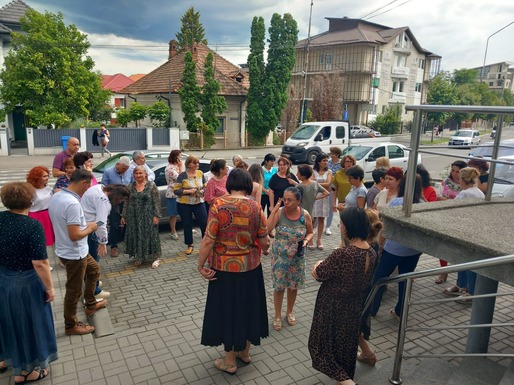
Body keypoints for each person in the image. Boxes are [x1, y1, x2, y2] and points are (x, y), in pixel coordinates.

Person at [197, 169, 270, 375]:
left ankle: (229, 362)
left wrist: (200, 264)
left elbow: (208, 239)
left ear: (229, 184)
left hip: (224, 269)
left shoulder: (218, 205)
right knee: (248, 308)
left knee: (228, 311)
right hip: (251, 268)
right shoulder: (255, 207)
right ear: (248, 184)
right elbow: (264, 240)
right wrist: (264, 250)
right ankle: (244, 352)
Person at [308, 207, 377, 385]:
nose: (340, 226)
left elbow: (319, 274)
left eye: (342, 224)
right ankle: (346, 377)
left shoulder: (344, 254)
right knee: (345, 348)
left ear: (348, 227)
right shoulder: (371, 251)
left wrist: (317, 264)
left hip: (332, 307)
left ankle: (346, 382)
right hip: (353, 306)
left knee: (323, 349)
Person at [0, 182, 58, 384]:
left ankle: (6, 359)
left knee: (7, 322)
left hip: (3, 280)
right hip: (26, 284)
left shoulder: (0, 218)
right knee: (30, 325)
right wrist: (50, 288)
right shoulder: (32, 225)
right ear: (30, 201)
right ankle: (26, 372)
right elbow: (40, 263)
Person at [48, 169, 104, 335]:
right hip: (74, 253)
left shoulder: (57, 195)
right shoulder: (72, 203)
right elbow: (75, 235)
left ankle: (91, 304)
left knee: (94, 270)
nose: (87, 190)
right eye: (87, 186)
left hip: (73, 250)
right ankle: (70, 325)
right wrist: (91, 227)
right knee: (74, 290)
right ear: (83, 183)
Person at [370, 174, 424, 320]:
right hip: (413, 250)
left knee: (379, 278)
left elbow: (387, 228)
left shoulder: (397, 202)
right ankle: (400, 311)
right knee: (405, 279)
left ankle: (371, 309)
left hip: (394, 249)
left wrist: (380, 245)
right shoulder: (422, 202)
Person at [268, 187, 314, 331]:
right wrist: (274, 210)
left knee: (293, 286)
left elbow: (311, 232)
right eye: (284, 199)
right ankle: (277, 315)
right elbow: (267, 229)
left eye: (290, 200)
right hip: (280, 257)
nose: (286, 202)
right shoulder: (280, 212)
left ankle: (289, 312)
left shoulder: (304, 214)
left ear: (298, 201)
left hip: (297, 257)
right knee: (279, 286)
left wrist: (306, 240)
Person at [443, 167, 485, 303]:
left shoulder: (465, 194)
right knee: (464, 259)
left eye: (460, 179)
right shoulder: (479, 192)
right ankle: (463, 285)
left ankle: (469, 290)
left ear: (463, 180)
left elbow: (453, 211)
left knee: (465, 260)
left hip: (465, 230)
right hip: (475, 229)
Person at [81, 184, 130, 298]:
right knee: (94, 262)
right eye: (121, 200)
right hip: (91, 230)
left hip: (85, 225)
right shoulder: (104, 201)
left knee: (89, 261)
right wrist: (103, 242)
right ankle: (95, 290)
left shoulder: (99, 187)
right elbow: (101, 223)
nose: (120, 203)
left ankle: (93, 282)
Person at [357, 209, 384, 367]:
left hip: (360, 295)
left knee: (354, 326)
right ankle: (367, 354)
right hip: (366, 292)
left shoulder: (364, 250)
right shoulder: (374, 245)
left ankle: (368, 354)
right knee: (356, 326)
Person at [121, 165, 162, 268]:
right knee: (136, 235)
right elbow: (126, 202)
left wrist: (156, 216)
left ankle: (155, 257)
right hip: (133, 216)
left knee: (151, 236)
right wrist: (123, 216)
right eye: (136, 173)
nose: (138, 175)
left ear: (145, 174)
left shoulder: (151, 186)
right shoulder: (130, 186)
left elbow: (157, 202)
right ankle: (139, 257)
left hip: (148, 216)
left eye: (140, 173)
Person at [434, 160, 467, 284]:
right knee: (443, 247)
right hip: (444, 218)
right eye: (453, 171)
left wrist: (446, 200)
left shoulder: (466, 186)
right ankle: (444, 271)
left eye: (458, 171)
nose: (454, 174)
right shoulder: (446, 182)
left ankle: (461, 280)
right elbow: (438, 197)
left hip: (459, 221)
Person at [174, 155, 208, 256]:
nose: (197, 164)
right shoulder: (182, 175)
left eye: (197, 162)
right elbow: (176, 190)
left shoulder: (200, 173)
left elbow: (206, 186)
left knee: (204, 223)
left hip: (198, 202)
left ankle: (205, 244)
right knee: (187, 224)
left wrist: (202, 190)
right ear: (188, 164)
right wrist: (188, 191)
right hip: (184, 204)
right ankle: (190, 244)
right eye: (194, 163)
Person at [101, 156, 132, 258]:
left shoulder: (130, 170)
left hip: (126, 201)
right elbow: (104, 187)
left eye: (126, 169)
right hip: (114, 203)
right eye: (123, 169)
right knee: (114, 225)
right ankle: (114, 247)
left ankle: (128, 244)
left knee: (127, 223)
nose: (124, 171)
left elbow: (132, 184)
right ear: (118, 164)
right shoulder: (108, 172)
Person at [296, 164, 328, 249]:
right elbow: (326, 193)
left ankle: (302, 247)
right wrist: (316, 198)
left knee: (300, 234)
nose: (296, 174)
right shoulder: (315, 184)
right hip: (311, 213)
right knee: (310, 230)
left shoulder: (299, 186)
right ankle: (308, 243)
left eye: (298, 173)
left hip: (300, 214)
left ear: (303, 175)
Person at [26, 167, 55, 257]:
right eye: (44, 176)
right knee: (39, 240)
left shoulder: (48, 188)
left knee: (51, 238)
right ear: (37, 177)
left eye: (47, 176)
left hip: (48, 214)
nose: (47, 178)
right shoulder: (30, 190)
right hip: (36, 215)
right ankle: (40, 260)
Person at [312, 153, 333, 248]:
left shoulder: (329, 171)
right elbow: (311, 182)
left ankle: (319, 240)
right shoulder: (313, 171)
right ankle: (310, 239)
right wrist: (321, 184)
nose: (326, 162)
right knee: (312, 219)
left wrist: (317, 184)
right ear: (318, 162)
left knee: (321, 219)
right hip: (314, 197)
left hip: (324, 197)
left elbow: (328, 183)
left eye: (327, 160)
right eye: (324, 160)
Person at [165, 150, 183, 240]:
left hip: (181, 192)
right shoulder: (170, 169)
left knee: (184, 212)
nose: (181, 158)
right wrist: (181, 167)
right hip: (173, 194)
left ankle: (186, 228)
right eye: (180, 156)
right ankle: (173, 231)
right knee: (173, 214)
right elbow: (181, 178)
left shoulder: (176, 167)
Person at [325, 147, 342, 235]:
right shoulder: (328, 163)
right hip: (326, 187)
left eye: (333, 154)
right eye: (331, 153)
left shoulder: (340, 164)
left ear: (337, 154)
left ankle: (328, 226)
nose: (331, 155)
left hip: (334, 188)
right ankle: (315, 226)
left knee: (331, 207)